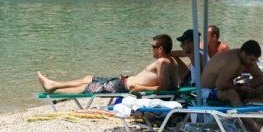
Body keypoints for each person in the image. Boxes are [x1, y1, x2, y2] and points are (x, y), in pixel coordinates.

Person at [38, 34, 178, 95]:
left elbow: (164, 87)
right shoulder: (171, 61)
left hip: (122, 87)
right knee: (89, 78)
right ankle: (53, 84)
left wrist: (141, 88)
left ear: (160, 49)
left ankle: (53, 90)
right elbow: (173, 85)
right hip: (122, 82)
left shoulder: (162, 62)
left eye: (153, 46)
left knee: (86, 88)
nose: (151, 48)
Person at [199, 40, 263, 107]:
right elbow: (220, 84)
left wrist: (246, 86)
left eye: (254, 60)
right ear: (243, 53)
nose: (252, 63)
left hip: (223, 89)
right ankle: (247, 120)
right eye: (251, 60)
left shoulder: (246, 58)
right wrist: (240, 88)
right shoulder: (233, 60)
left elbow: (259, 77)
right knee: (231, 93)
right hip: (207, 91)